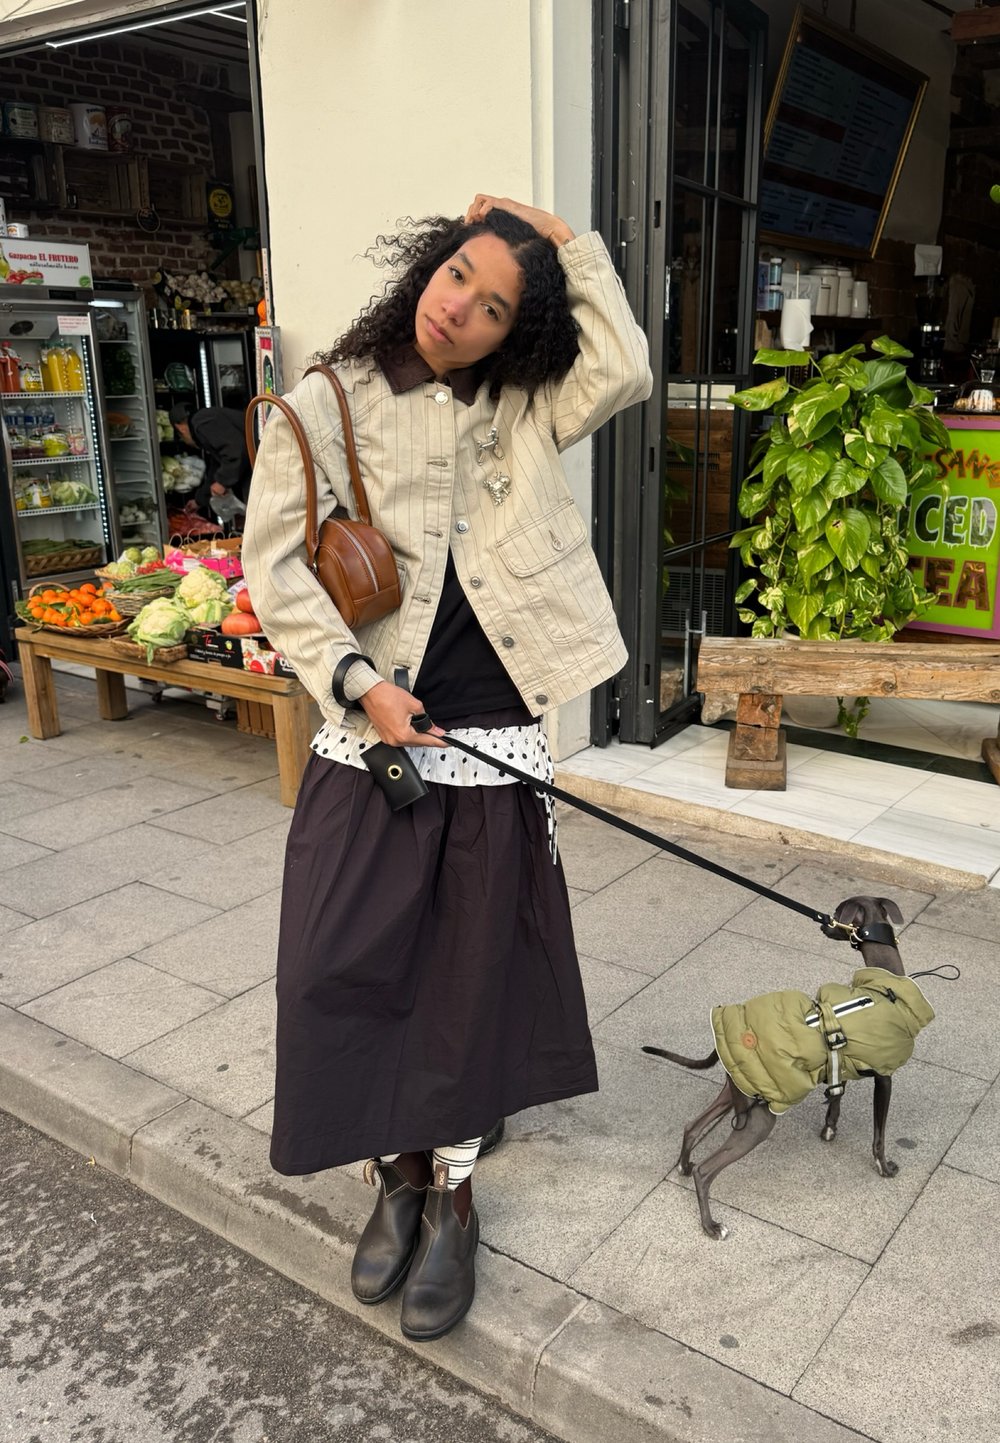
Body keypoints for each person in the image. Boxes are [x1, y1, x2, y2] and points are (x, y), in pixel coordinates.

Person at [242, 194, 651, 1342]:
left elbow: (619, 368)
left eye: (491, 307)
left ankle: (452, 1188)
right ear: (429, 258)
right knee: (341, 963)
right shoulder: (323, 402)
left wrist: (565, 240)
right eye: (457, 274)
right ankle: (394, 1173)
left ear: (515, 333)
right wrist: (358, 685)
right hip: (374, 723)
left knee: (471, 980)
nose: (458, 307)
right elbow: (275, 571)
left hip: (492, 723)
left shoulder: (526, 403)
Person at [169, 402, 253, 514]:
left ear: (180, 428)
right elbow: (218, 465)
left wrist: (222, 482)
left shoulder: (201, 423)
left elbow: (235, 450)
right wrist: (199, 500)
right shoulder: (205, 422)